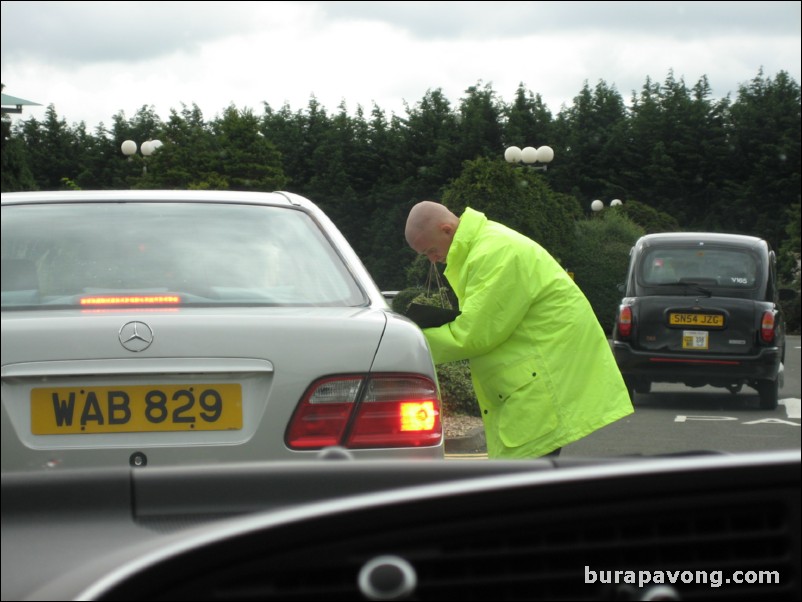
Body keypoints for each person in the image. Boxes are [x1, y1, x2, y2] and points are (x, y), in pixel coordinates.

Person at [404, 201, 633, 459]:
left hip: (539, 381)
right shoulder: (488, 246)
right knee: (526, 482)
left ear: (447, 229)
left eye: (430, 251)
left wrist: (407, 343)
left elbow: (473, 334)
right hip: (535, 376)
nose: (432, 260)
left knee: (521, 484)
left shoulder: (494, 253)